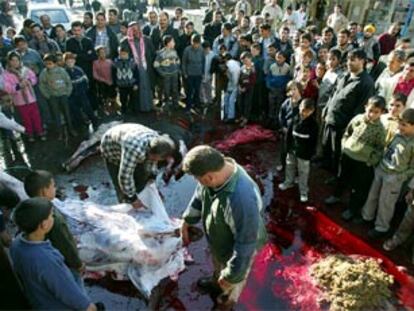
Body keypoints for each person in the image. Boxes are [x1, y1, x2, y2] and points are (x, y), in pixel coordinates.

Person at [181, 145, 267, 309]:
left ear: (209, 177)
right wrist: (187, 220)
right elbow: (199, 196)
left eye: (197, 179)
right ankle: (217, 281)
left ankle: (225, 303)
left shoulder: (241, 200)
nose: (196, 182)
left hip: (241, 246)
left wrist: (231, 276)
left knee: (232, 283)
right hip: (222, 239)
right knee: (219, 264)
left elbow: (246, 246)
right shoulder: (216, 171)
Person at [10, 198, 97, 311]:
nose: (53, 218)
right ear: (44, 224)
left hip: (39, 301)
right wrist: (90, 307)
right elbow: (68, 293)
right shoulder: (46, 260)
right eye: (51, 216)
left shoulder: (16, 244)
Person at [325, 96, 386, 220]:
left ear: (382, 112)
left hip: (363, 163)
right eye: (370, 110)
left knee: (357, 187)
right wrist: (344, 146)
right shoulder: (358, 119)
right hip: (348, 155)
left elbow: (380, 149)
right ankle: (336, 196)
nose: (372, 114)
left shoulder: (380, 130)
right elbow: (348, 132)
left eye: (376, 112)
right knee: (341, 177)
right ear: (365, 108)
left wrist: (371, 161)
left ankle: (352, 209)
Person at [24, 170, 86, 288]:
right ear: (44, 191)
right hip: (64, 263)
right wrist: (78, 264)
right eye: (53, 186)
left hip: (47, 259)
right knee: (75, 284)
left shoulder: (29, 210)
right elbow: (64, 244)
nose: (55, 188)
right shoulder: (51, 218)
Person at [362, 108, 414, 239]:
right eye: (399, 123)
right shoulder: (397, 134)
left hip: (394, 176)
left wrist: (399, 177)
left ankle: (381, 227)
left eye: (404, 125)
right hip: (382, 169)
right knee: (372, 195)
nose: (399, 127)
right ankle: (367, 217)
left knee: (386, 203)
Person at [322, 49, 375, 178]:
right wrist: (326, 110)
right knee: (328, 149)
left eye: (353, 60)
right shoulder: (344, 76)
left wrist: (350, 129)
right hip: (330, 120)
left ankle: (338, 181)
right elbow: (333, 94)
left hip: (343, 126)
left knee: (340, 156)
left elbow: (361, 110)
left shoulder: (366, 83)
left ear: (362, 61)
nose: (349, 62)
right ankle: (329, 172)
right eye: (348, 59)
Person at [100, 123, 176, 208]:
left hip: (128, 136)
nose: (157, 161)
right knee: (122, 187)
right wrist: (132, 199)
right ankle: (125, 203)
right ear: (152, 154)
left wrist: (151, 178)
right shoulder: (135, 150)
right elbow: (125, 177)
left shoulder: (157, 142)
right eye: (157, 159)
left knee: (142, 177)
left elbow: (152, 162)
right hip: (111, 149)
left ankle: (139, 194)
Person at [279, 99, 318, 203]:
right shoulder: (295, 119)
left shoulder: (314, 125)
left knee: (303, 172)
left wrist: (310, 154)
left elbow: (313, 142)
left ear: (312, 111)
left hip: (304, 154)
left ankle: (303, 191)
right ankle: (288, 182)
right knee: (289, 166)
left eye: (306, 111)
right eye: (301, 109)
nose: (303, 112)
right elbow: (289, 136)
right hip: (292, 149)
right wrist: (288, 148)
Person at [3, 52, 45, 142]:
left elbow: (34, 78)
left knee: (36, 116)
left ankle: (40, 131)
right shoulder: (6, 74)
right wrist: (18, 86)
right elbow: (7, 87)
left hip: (31, 98)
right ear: (9, 62)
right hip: (19, 100)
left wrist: (29, 81)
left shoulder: (25, 70)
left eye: (17, 60)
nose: (15, 62)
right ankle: (30, 134)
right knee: (26, 118)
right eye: (12, 60)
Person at [120, 22, 156, 112]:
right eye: (133, 30)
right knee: (135, 89)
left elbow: (152, 53)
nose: (135, 32)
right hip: (133, 70)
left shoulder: (147, 39)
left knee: (147, 87)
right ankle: (137, 108)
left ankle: (148, 106)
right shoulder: (125, 42)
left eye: (137, 30)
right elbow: (123, 55)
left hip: (145, 68)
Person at [39, 53, 75, 139]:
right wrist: (47, 95)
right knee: (56, 115)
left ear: (55, 63)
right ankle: (60, 132)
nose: (48, 66)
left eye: (50, 63)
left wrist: (67, 92)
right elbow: (42, 85)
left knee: (67, 113)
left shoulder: (62, 71)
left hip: (63, 95)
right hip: (53, 96)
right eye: (46, 64)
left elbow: (68, 82)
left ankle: (71, 129)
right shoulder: (44, 73)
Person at [64, 52, 98, 130]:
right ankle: (81, 125)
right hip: (71, 95)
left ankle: (94, 121)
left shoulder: (79, 69)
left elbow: (85, 80)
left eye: (71, 61)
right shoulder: (64, 72)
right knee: (76, 111)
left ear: (74, 61)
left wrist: (84, 90)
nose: (70, 63)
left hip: (81, 93)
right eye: (68, 61)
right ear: (65, 62)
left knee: (87, 108)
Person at [278, 81, 303, 171]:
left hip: (296, 132)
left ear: (299, 90)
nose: (292, 92)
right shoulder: (286, 102)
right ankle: (283, 165)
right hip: (286, 130)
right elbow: (281, 115)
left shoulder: (302, 103)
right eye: (290, 90)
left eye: (294, 89)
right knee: (284, 149)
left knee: (294, 152)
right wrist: (283, 126)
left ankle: (295, 170)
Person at [154, 35, 180, 112]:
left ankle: (175, 103)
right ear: (168, 43)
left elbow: (178, 61)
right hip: (166, 76)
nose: (174, 43)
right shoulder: (161, 54)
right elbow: (156, 65)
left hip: (174, 75)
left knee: (175, 89)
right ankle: (166, 104)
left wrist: (177, 69)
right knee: (166, 90)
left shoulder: (174, 51)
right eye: (173, 41)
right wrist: (162, 73)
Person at [266, 50, 291, 127]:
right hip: (272, 89)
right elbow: (268, 78)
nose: (278, 59)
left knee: (279, 104)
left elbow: (287, 79)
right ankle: (271, 119)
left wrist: (283, 87)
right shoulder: (272, 66)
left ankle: (277, 120)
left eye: (280, 58)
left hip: (281, 90)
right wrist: (269, 87)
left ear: (284, 58)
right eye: (277, 57)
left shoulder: (287, 67)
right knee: (271, 104)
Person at [113, 47, 139, 115]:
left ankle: (134, 110)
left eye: (124, 54)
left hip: (131, 83)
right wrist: (115, 85)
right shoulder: (116, 63)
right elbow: (113, 74)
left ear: (128, 54)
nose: (123, 56)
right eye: (121, 54)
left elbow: (136, 73)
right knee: (123, 98)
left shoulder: (132, 62)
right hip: (121, 84)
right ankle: (123, 109)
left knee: (133, 98)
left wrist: (136, 83)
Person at [182, 34, 204, 113]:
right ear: (191, 42)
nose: (195, 45)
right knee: (189, 91)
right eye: (194, 43)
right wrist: (185, 73)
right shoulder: (187, 50)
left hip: (198, 74)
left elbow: (203, 62)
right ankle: (188, 106)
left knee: (197, 91)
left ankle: (196, 105)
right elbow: (184, 63)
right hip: (189, 74)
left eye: (197, 43)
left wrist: (203, 73)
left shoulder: (201, 50)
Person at [237, 52, 256, 127]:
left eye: (245, 60)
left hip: (249, 88)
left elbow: (253, 80)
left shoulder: (252, 68)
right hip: (241, 88)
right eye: (243, 61)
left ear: (250, 58)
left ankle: (246, 118)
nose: (244, 62)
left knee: (247, 104)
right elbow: (239, 78)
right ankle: (241, 116)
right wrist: (240, 86)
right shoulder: (242, 67)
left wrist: (246, 88)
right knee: (240, 102)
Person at [222, 52, 240, 123]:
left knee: (231, 100)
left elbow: (235, 77)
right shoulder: (234, 63)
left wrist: (234, 87)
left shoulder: (230, 65)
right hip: (231, 83)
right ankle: (227, 114)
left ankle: (230, 117)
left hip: (236, 84)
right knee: (226, 98)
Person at [200, 41, 215, 108]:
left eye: (208, 49)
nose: (207, 51)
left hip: (209, 74)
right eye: (205, 49)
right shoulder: (200, 54)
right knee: (200, 88)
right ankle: (202, 101)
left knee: (208, 88)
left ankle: (209, 101)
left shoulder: (213, 54)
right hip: (201, 74)